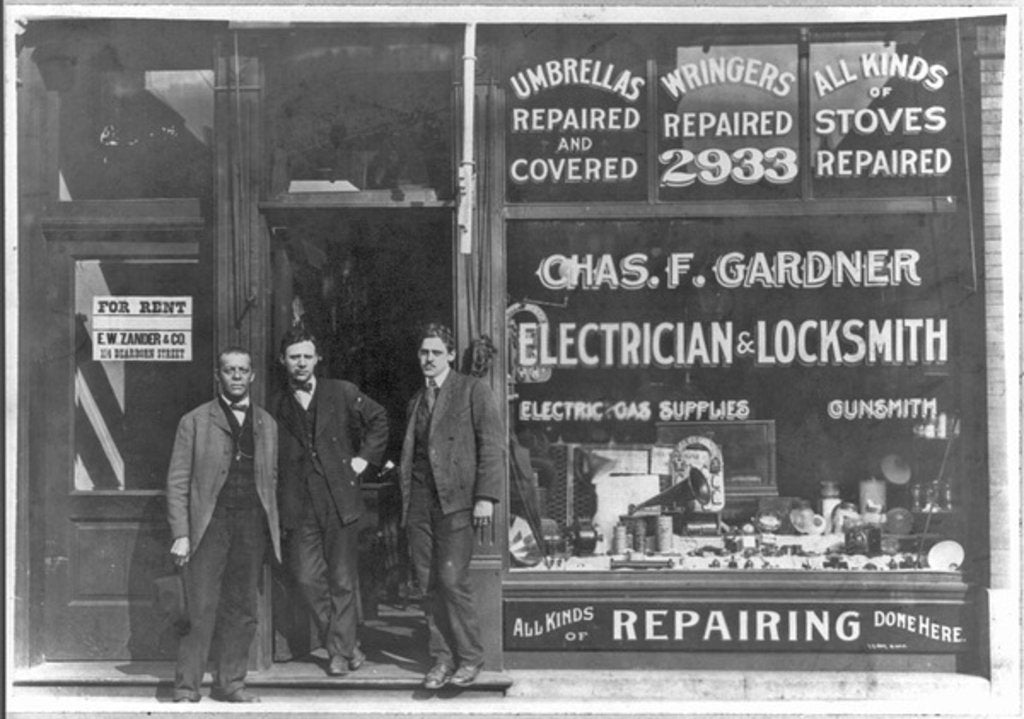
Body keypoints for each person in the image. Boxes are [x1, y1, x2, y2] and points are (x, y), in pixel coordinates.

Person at [166, 347, 281, 703]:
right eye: (229, 370)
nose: (235, 376)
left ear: (252, 376)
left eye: (242, 370)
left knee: (243, 608)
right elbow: (177, 481)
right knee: (199, 608)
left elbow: (272, 478)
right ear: (218, 375)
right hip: (209, 525)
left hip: (250, 524)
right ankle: (187, 688)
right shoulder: (195, 421)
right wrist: (182, 534)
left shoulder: (267, 423)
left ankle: (231, 683)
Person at [274, 327, 389, 676]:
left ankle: (337, 652)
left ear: (317, 358)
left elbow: (379, 419)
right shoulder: (276, 404)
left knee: (341, 578)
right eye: (295, 357)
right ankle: (345, 643)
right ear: (283, 361)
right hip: (298, 503)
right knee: (306, 577)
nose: (301, 363)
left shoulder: (341, 391)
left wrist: (363, 460)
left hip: (339, 498)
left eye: (307, 356)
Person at [399, 323, 504, 689]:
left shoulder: (472, 390)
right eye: (424, 353)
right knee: (428, 584)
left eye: (436, 353)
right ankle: (442, 659)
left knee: (451, 579)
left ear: (449, 355)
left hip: (458, 503)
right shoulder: (416, 400)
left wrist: (485, 498)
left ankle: (471, 657)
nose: (428, 359)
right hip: (420, 502)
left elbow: (492, 446)